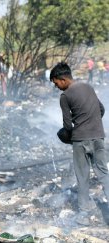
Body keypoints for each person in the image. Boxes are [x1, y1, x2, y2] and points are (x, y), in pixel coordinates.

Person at [50, 62, 109, 225]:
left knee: (82, 176)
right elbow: (101, 109)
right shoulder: (88, 87)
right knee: (103, 173)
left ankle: (84, 213)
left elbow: (68, 126)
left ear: (61, 79)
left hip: (80, 140)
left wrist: (65, 135)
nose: (57, 87)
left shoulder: (65, 96)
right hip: (98, 136)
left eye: (56, 84)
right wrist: (92, 123)